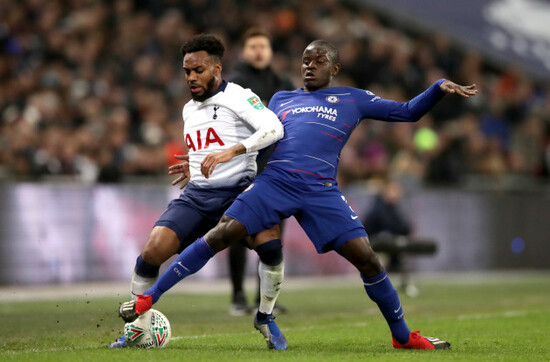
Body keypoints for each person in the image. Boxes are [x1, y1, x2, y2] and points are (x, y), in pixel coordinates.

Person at [118, 39, 477, 351]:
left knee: (367, 258)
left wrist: (437, 87)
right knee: (222, 233)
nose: (309, 66)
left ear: (334, 68)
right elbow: (259, 139)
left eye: (318, 61)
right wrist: (197, 163)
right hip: (275, 181)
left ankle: (402, 336)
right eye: (305, 60)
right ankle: (150, 297)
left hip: (320, 190)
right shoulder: (282, 99)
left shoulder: (353, 99)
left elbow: (408, 112)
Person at [109, 33, 284, 348]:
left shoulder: (240, 96)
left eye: (198, 70)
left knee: (270, 246)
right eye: (187, 71)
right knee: (151, 251)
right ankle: (136, 329)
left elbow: (274, 128)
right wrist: (196, 163)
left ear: (217, 69)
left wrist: (233, 152)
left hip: (239, 193)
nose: (191, 77)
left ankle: (266, 317)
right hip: (198, 196)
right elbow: (209, 145)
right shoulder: (189, 109)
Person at [227, 27, 294, 316]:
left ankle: (263, 299)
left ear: (270, 51)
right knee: (237, 233)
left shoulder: (283, 82)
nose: (258, 51)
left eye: (263, 46)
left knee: (273, 234)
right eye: (253, 45)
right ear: (244, 50)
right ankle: (238, 296)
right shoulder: (234, 84)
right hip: (244, 167)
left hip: (278, 169)